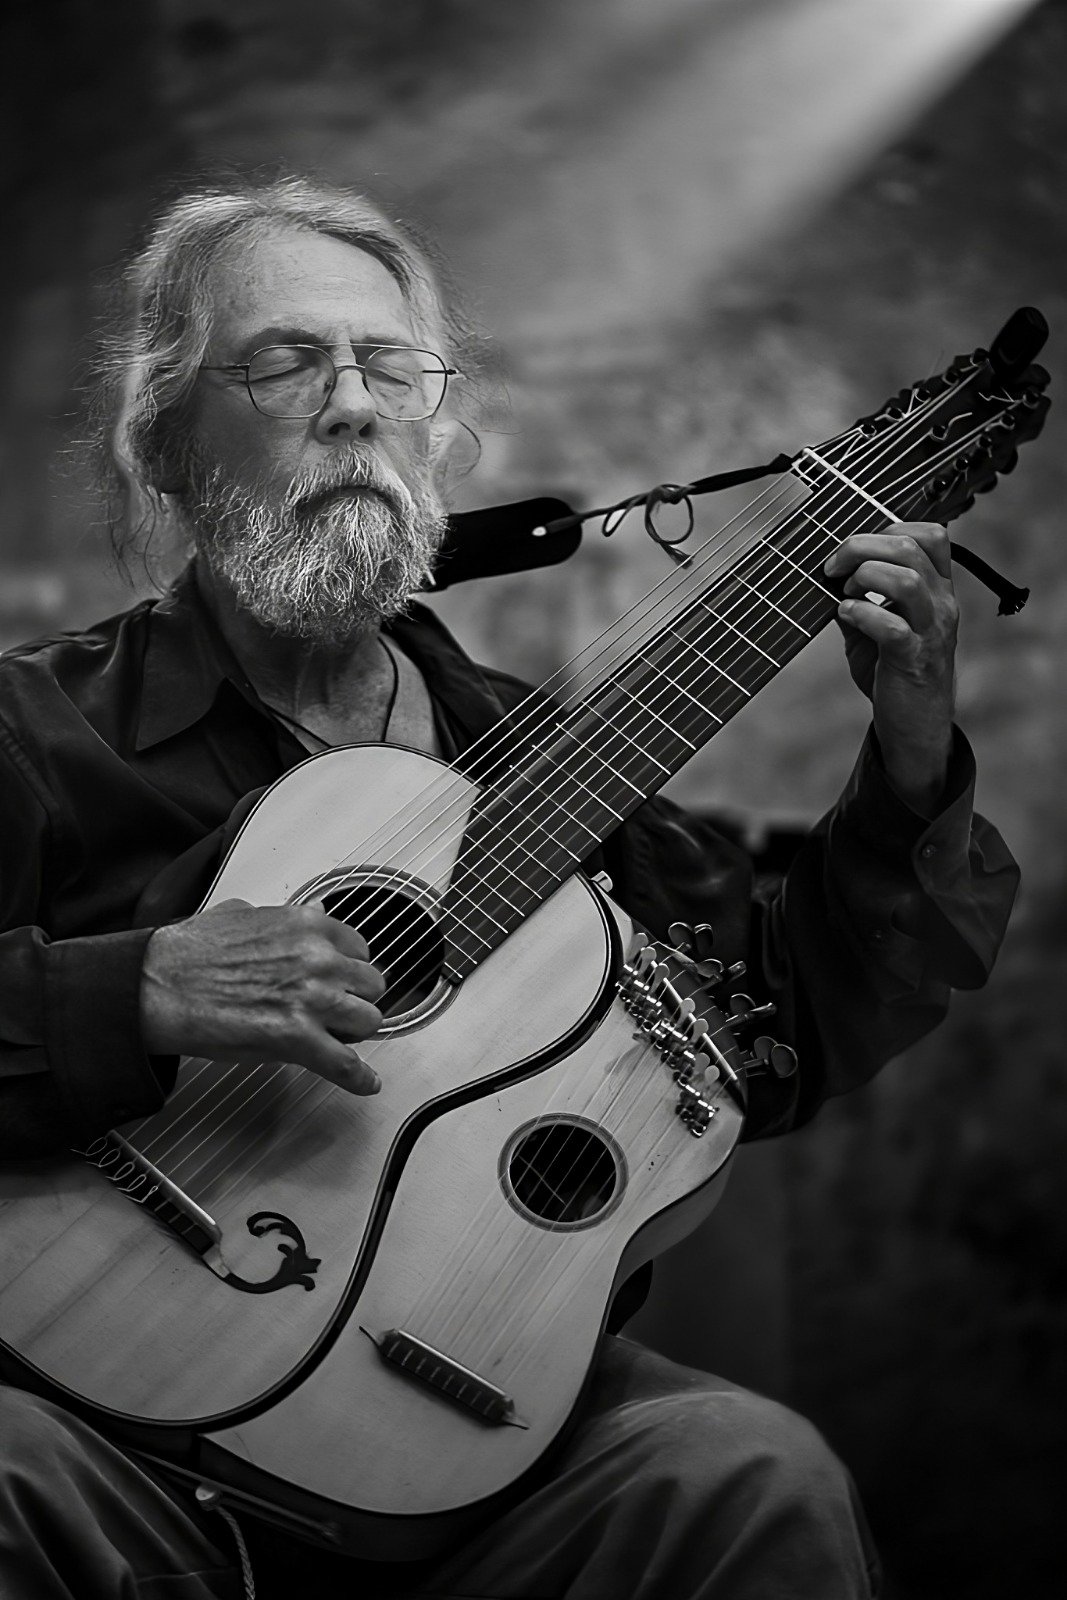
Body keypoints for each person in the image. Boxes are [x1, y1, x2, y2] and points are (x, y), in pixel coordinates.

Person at [0, 175, 1019, 1600]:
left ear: (436, 425)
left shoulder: (544, 759)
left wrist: (912, 762)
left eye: (391, 366)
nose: (353, 404)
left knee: (748, 1476)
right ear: (165, 443)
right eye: (288, 361)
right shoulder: (35, 735)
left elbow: (780, 1037)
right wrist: (137, 988)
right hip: (99, 1429)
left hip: (454, 1449)